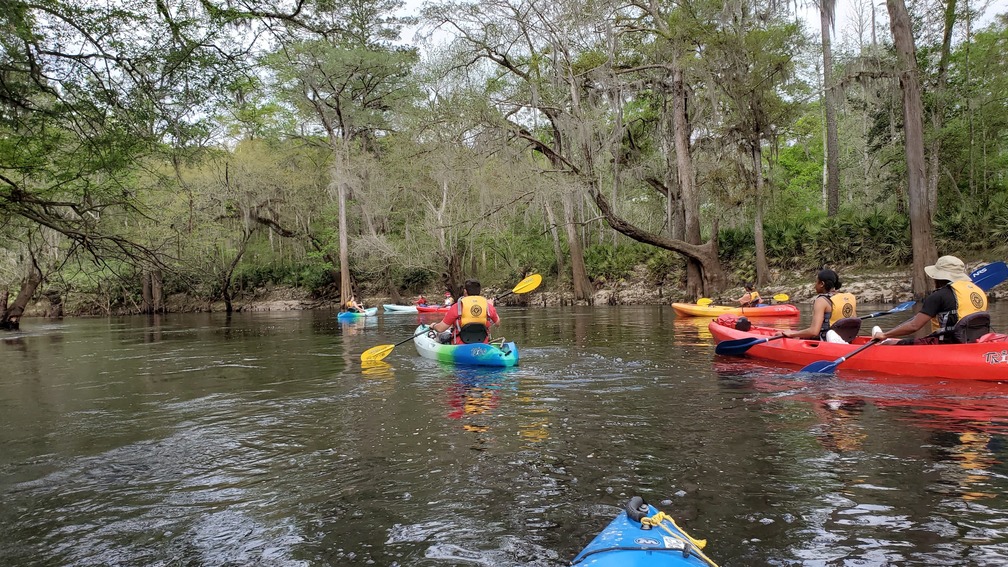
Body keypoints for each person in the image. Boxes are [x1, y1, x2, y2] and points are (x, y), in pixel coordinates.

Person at [872, 255, 988, 345]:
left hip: (947, 345)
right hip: (975, 342)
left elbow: (914, 326)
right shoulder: (978, 292)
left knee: (889, 343)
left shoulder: (938, 296)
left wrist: (885, 335)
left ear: (938, 276)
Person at [781, 269, 857, 342]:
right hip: (847, 339)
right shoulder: (850, 297)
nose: (815, 285)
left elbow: (814, 331)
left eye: (816, 282)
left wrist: (792, 333)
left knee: (792, 336)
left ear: (822, 284)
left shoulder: (821, 301)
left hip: (827, 342)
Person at [430, 279, 500, 344]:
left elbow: (440, 329)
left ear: (465, 291)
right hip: (482, 344)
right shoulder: (488, 307)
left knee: (440, 335)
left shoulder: (457, 307)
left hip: (460, 346)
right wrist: (491, 306)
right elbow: (497, 323)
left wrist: (433, 326)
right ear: (479, 291)